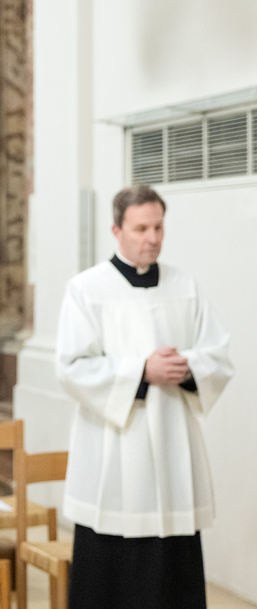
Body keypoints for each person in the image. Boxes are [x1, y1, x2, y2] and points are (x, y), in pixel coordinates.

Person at [56, 185, 233, 609]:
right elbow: (71, 366)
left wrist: (186, 367)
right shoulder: (86, 289)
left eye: (158, 227)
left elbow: (217, 355)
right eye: (140, 229)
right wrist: (140, 371)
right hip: (115, 447)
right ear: (116, 231)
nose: (152, 238)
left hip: (173, 445)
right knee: (111, 569)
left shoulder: (185, 285)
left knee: (173, 567)